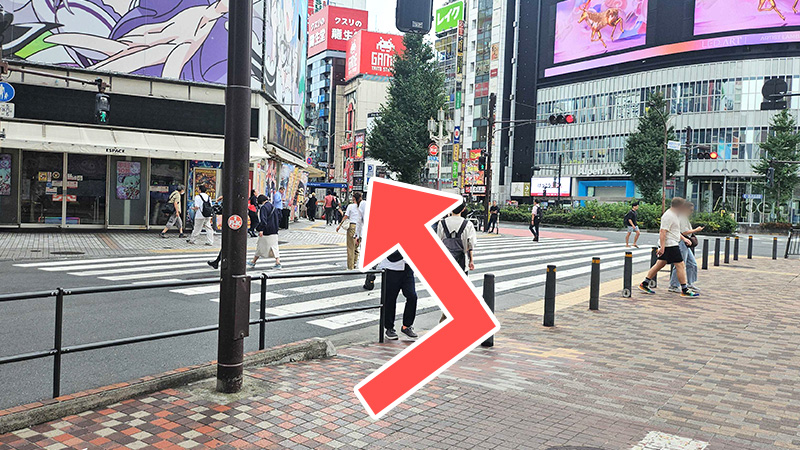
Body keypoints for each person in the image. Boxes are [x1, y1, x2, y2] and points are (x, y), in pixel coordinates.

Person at [639, 197, 700, 298]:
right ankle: (684, 289)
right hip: (670, 244)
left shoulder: (674, 215)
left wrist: (684, 239)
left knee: (660, 264)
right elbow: (663, 231)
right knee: (680, 265)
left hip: (671, 243)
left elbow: (674, 231)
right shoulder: (668, 216)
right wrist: (662, 247)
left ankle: (644, 283)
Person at [436, 202, 477, 322]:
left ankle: (445, 314)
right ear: (463, 209)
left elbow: (438, 241)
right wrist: (471, 260)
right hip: (461, 261)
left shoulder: (442, 223)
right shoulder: (468, 224)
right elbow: (471, 244)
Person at [381, 250, 419, 341]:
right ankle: (389, 328)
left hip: (407, 268)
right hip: (392, 268)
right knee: (390, 299)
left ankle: (407, 326)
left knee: (412, 296)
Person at [669, 202, 703, 293]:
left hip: (685, 243)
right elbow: (683, 232)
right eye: (690, 210)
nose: (691, 212)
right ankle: (673, 285)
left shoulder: (683, 217)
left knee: (692, 263)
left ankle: (689, 283)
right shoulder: (682, 217)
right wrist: (696, 230)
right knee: (680, 264)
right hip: (682, 242)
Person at [248, 194, 282, 269]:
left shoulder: (264, 208)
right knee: (274, 247)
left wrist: (261, 229)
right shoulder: (273, 207)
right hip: (274, 230)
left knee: (260, 246)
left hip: (266, 230)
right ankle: (277, 262)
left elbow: (263, 220)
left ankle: (253, 262)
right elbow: (279, 217)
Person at [337, 192, 364, 270]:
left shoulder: (351, 206)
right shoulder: (363, 207)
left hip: (352, 227)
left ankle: (350, 267)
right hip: (361, 227)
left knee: (350, 247)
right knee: (356, 247)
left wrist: (340, 225)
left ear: (354, 198)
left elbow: (346, 216)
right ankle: (354, 263)